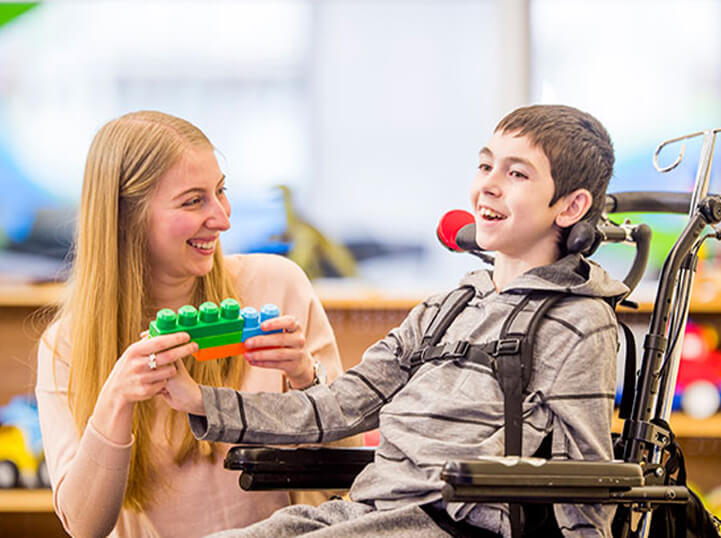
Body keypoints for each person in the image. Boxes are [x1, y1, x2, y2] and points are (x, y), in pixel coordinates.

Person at [164, 104, 628, 538]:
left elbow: (587, 483)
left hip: (449, 523)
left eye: (518, 174)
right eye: (486, 165)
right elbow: (338, 404)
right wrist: (200, 400)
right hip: (367, 512)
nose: (488, 184)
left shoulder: (579, 321)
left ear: (569, 207)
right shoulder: (447, 308)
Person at [36, 110, 352, 538]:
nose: (223, 219)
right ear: (126, 217)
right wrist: (115, 401)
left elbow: (348, 477)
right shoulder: (67, 345)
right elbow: (85, 527)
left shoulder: (277, 288)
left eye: (221, 191)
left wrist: (307, 380)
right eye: (193, 201)